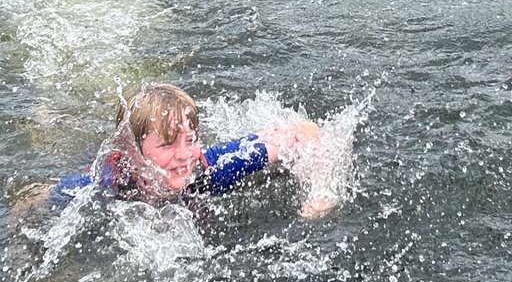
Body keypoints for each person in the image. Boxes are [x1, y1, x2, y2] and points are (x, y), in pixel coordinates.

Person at [50, 82, 337, 219]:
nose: (183, 155)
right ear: (132, 152)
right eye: (167, 144)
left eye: (190, 140)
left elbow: (305, 131)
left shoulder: (211, 171)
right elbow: (41, 194)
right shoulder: (107, 185)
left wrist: (321, 194)